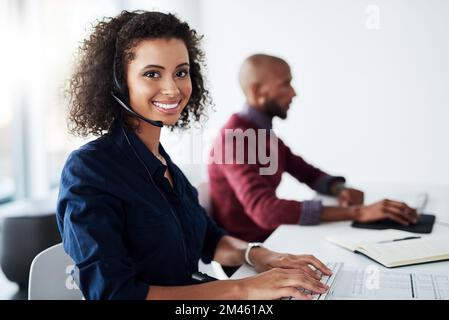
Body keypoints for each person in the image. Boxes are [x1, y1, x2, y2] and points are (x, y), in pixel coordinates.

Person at [57, 10, 332, 300]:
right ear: (118, 82)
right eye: (152, 74)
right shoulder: (90, 169)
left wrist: (261, 256)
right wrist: (245, 288)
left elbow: (209, 239)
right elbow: (114, 293)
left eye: (181, 72)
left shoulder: (163, 162)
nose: (172, 88)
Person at [208, 54, 418, 242]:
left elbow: (309, 174)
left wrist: (339, 189)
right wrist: (358, 213)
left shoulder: (262, 135)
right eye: (285, 84)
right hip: (249, 253)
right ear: (256, 90)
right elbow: (265, 210)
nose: (294, 93)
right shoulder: (233, 141)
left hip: (274, 239)